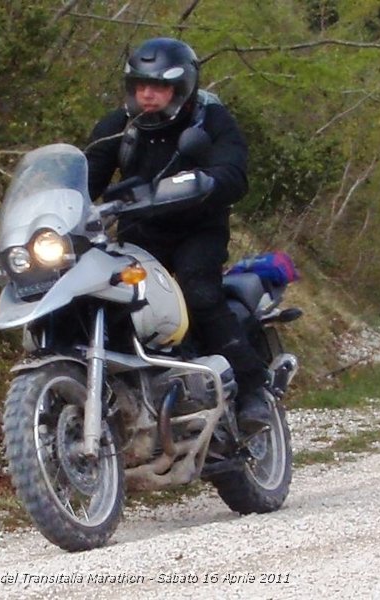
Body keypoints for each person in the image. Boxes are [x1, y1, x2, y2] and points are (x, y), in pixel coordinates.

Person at [84, 37, 271, 433]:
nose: (147, 95)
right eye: (140, 86)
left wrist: (208, 181)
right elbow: (85, 180)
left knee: (198, 291)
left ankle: (254, 388)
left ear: (181, 88)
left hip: (197, 230)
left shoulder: (209, 120)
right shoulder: (117, 126)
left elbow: (234, 173)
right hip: (138, 234)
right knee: (107, 298)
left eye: (159, 86)